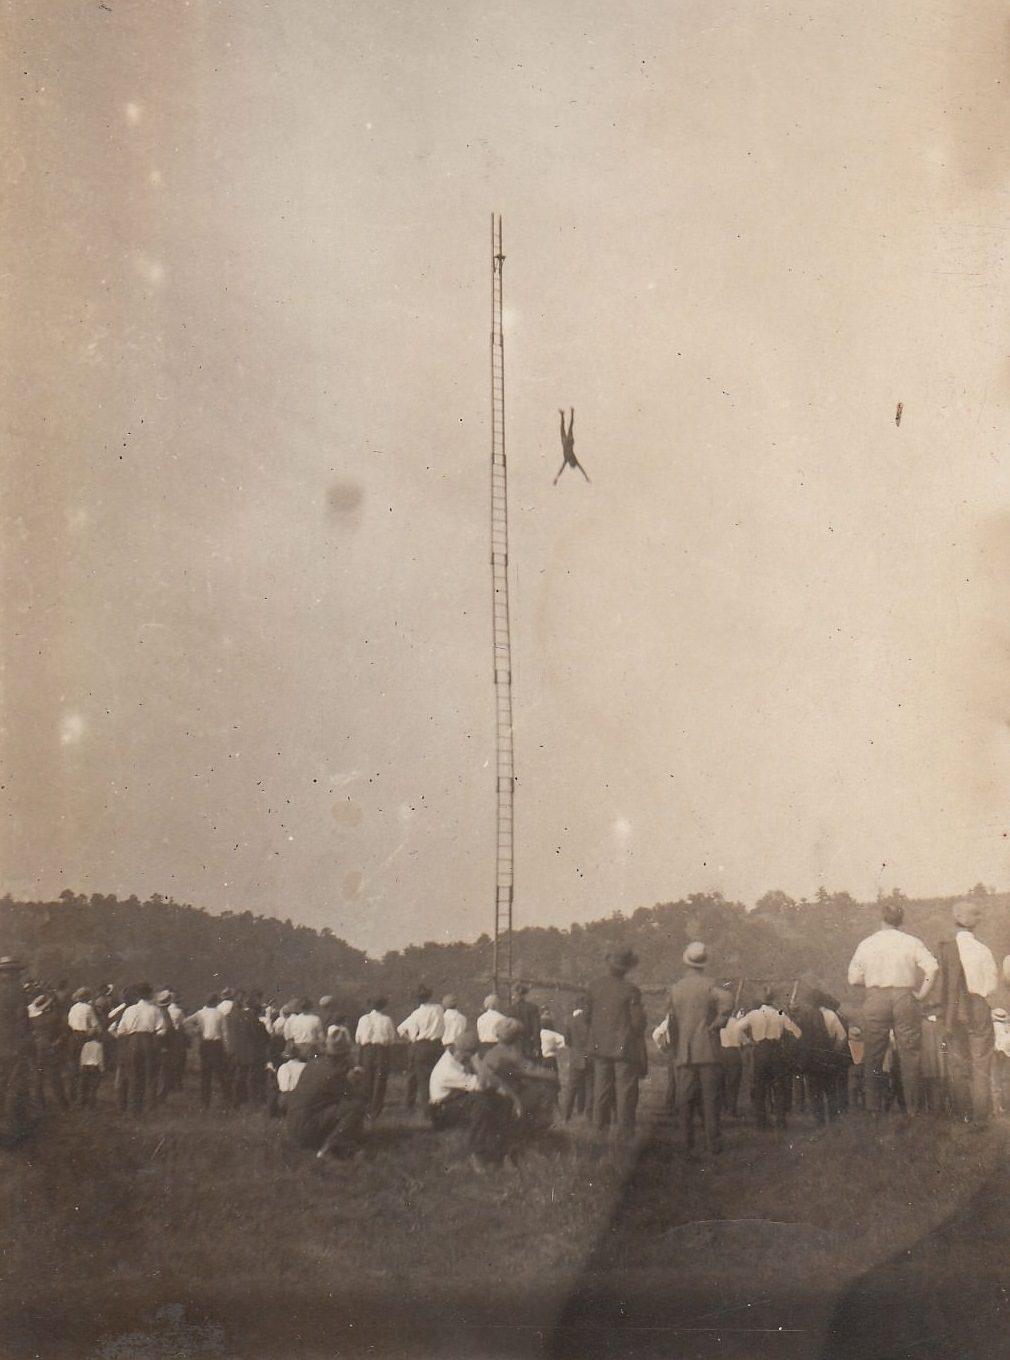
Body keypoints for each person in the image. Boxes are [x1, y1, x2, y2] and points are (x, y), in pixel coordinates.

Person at [847, 901, 938, 1116]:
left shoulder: (867, 943)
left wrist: (872, 983)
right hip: (904, 996)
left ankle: (873, 1109)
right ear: (901, 920)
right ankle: (913, 1109)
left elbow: (853, 978)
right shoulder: (911, 941)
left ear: (881, 918)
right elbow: (932, 968)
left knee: (873, 1054)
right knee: (910, 1054)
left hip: (876, 997)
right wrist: (922, 993)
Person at [934, 899, 999, 1123]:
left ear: (955, 920)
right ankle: (981, 1115)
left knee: (957, 1060)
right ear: (975, 924)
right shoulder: (983, 950)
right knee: (981, 1061)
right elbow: (991, 986)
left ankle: (963, 1114)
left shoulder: (945, 949)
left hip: (954, 1008)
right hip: (978, 1006)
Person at [667, 943, 733, 1153]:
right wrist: (716, 1025)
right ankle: (713, 1143)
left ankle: (687, 1143)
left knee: (684, 1100)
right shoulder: (710, 986)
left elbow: (671, 1022)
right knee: (710, 1100)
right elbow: (728, 1001)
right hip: (708, 1051)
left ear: (686, 962)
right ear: (703, 964)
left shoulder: (676, 988)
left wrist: (675, 1048)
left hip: (685, 1054)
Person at [429, 1031, 515, 1172]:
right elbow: (482, 1084)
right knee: (480, 1102)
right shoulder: (447, 1069)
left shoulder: (455, 1059)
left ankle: (502, 1151)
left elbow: (489, 1082)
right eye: (469, 1056)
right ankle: (477, 1153)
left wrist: (509, 1096)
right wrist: (476, 1062)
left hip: (457, 1100)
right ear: (461, 1054)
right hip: (441, 1111)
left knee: (500, 1100)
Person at [586, 948, 648, 1143]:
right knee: (625, 1090)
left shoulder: (594, 987)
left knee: (601, 1088)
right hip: (623, 1047)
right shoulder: (631, 990)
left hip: (599, 1045)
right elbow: (638, 1024)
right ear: (627, 968)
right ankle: (625, 1133)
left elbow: (587, 1017)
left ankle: (599, 1129)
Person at [286, 1030, 367, 1159]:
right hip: (307, 1128)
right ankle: (330, 1148)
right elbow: (356, 1097)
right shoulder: (337, 1073)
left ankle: (342, 1143)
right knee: (356, 1107)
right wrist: (357, 1077)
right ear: (345, 1055)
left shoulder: (312, 1064)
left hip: (293, 1125)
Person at [480, 1017, 559, 1139]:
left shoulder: (491, 1053)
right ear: (516, 1037)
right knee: (543, 1089)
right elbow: (532, 1070)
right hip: (508, 1097)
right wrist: (553, 1075)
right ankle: (538, 1128)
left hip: (494, 1094)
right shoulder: (512, 1055)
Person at [737, 987, 802, 1129]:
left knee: (759, 1087)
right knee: (779, 1087)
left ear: (761, 1000)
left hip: (760, 1051)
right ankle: (780, 1120)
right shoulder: (779, 1013)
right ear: (773, 1000)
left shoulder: (754, 1013)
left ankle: (761, 1122)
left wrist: (748, 1042)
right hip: (776, 1051)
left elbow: (737, 1028)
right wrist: (787, 1043)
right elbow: (797, 1032)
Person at [112, 982, 168, 1115]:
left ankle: (133, 1109)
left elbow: (121, 1031)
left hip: (132, 1042)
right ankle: (149, 1106)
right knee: (150, 1075)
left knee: (133, 1075)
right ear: (149, 994)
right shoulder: (155, 1010)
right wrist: (155, 1039)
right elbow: (162, 1029)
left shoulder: (129, 1010)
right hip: (148, 1041)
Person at [397, 986, 445, 1116]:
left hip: (422, 1047)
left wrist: (411, 1040)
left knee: (423, 1081)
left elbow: (400, 1029)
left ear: (417, 999)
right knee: (437, 1079)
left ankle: (428, 1112)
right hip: (438, 1047)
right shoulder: (439, 1008)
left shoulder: (416, 1014)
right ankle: (438, 1108)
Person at [185, 994, 232, 1108]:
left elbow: (185, 1022)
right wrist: (227, 1048)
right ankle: (227, 1096)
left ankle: (205, 1100)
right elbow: (225, 1033)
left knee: (206, 1073)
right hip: (217, 1045)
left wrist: (197, 1030)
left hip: (205, 1044)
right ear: (216, 1003)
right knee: (221, 1072)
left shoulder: (200, 1013)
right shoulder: (220, 1014)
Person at [354, 996, 396, 1120]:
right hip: (381, 1051)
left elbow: (357, 1038)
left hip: (366, 1050)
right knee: (380, 1080)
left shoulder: (363, 1019)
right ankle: (375, 1111)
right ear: (383, 1006)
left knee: (366, 1079)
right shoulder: (387, 1020)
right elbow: (392, 1039)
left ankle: (366, 1107)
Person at [28, 993, 69, 1112]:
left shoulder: (33, 1019)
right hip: (50, 1050)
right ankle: (63, 1106)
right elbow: (64, 1033)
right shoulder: (54, 1017)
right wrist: (58, 1042)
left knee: (38, 1079)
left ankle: (40, 1106)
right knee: (54, 1078)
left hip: (38, 1050)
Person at [560, 997, 593, 1121]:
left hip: (576, 1057)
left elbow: (567, 1041)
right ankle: (589, 1118)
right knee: (591, 1088)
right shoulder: (593, 1022)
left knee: (572, 1088)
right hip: (590, 1058)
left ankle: (565, 1117)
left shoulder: (570, 1021)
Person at [66, 987, 101, 1103]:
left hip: (73, 1037)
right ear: (86, 997)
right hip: (84, 1038)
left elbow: (70, 1023)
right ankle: (84, 1097)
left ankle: (73, 1095)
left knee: (73, 1066)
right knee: (86, 1068)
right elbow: (95, 1025)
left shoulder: (73, 1008)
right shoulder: (88, 1008)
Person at [718, 1009, 746, 1119]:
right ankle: (731, 1109)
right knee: (733, 1082)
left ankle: (723, 1107)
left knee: (722, 1081)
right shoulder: (736, 1022)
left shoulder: (718, 1022)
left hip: (721, 1052)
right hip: (733, 1053)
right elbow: (743, 1039)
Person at [553, 408, 590, 485]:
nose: (571, 462)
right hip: (568, 442)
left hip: (567, 442)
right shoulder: (570, 459)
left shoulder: (568, 459)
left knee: (566, 428)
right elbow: (581, 469)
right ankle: (567, 413)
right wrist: (586, 477)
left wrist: (556, 478)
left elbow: (562, 469)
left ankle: (564, 414)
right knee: (566, 428)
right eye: (572, 463)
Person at [508, 983, 542, 1061]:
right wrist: (537, 1046)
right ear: (525, 994)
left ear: (516, 994)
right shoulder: (533, 1008)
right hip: (529, 1044)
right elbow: (536, 1029)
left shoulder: (511, 1009)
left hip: (515, 1045)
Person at [274, 1044, 306, 1116]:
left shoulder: (284, 1067)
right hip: (302, 1096)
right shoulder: (305, 1066)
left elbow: (283, 1087)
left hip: (287, 1097)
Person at [79, 1036, 105, 1107]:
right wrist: (102, 1069)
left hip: (85, 1066)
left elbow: (82, 1056)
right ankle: (91, 1104)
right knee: (93, 1086)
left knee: (84, 1085)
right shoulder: (99, 1045)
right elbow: (100, 1058)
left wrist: (81, 1065)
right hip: (94, 1066)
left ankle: (82, 1102)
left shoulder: (86, 1044)